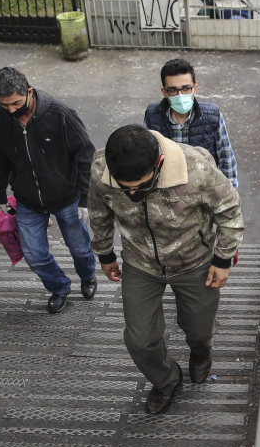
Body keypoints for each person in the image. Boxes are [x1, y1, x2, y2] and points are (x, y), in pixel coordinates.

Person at [88, 125, 244, 415]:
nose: (132, 193)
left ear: (158, 164)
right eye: (125, 187)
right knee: (139, 339)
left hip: (194, 261)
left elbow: (229, 209)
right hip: (139, 262)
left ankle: (201, 353)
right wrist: (105, 253)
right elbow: (99, 212)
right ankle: (167, 380)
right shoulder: (101, 169)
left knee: (199, 330)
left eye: (141, 185)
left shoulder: (196, 168)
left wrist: (223, 259)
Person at [0, 67, 98, 314]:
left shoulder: (60, 114)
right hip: (27, 201)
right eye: (4, 105)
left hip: (67, 196)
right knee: (34, 254)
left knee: (80, 248)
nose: (11, 110)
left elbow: (85, 156)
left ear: (29, 91)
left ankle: (88, 275)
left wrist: (85, 198)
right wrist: (0, 195)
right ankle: (59, 287)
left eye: (16, 103)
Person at [143, 58, 239, 189]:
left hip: (202, 190)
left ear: (195, 89)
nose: (180, 95)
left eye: (186, 88)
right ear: (164, 92)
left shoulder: (213, 116)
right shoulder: (152, 115)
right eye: (172, 90)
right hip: (167, 191)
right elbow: (145, 158)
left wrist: (230, 194)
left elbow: (226, 160)